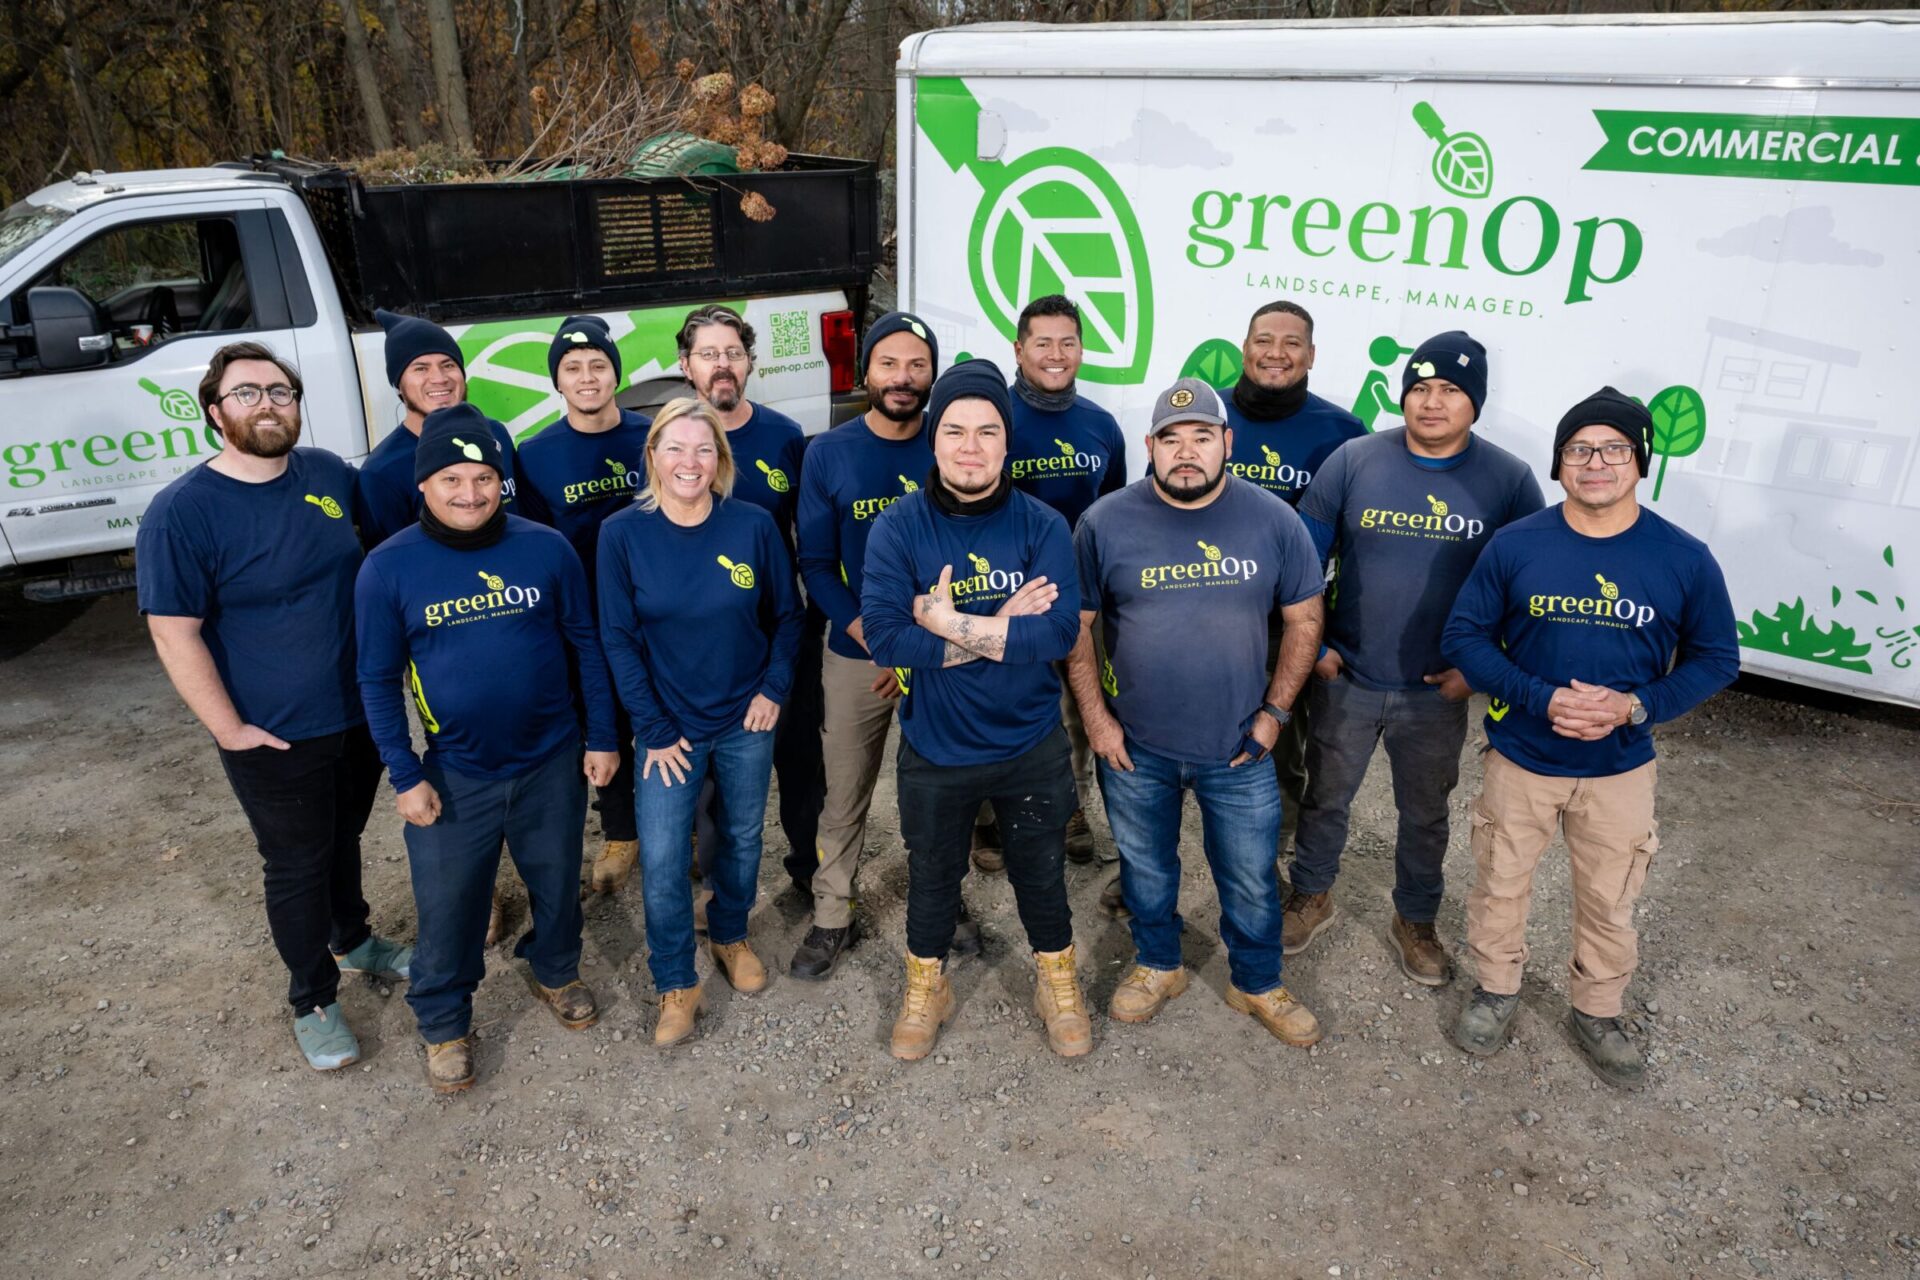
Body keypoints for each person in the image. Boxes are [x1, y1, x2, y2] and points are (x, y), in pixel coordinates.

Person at [1441, 388, 1739, 1088]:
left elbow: (1716, 659)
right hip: (1523, 758)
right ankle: (1496, 990)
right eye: (1580, 449)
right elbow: (1465, 636)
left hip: (1619, 769)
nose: (1596, 462)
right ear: (1560, 463)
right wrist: (1540, 696)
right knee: (1500, 883)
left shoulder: (1683, 558)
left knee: (1611, 896)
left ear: (1640, 462)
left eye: (1614, 449)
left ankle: (1597, 1010)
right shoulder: (1517, 544)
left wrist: (1634, 707)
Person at [137, 340, 411, 1072]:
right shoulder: (182, 513)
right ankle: (313, 999)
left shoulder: (326, 474)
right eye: (247, 393)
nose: (267, 405)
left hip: (356, 714)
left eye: (280, 392)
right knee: (295, 863)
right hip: (273, 734)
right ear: (214, 412)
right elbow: (173, 630)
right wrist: (230, 730)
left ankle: (352, 940)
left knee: (344, 836)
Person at [355, 404, 620, 1092]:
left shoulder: (545, 547)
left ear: (502, 481)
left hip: (551, 760)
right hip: (454, 773)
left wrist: (600, 736)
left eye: (483, 478)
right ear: (424, 485)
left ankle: (555, 970)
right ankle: (444, 1021)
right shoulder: (388, 569)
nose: (469, 493)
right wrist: (404, 774)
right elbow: (377, 680)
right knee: (450, 906)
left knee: (558, 883)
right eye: (451, 480)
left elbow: (586, 645)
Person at [1068, 378, 1326, 1046]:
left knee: (1248, 873)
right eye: (1171, 439)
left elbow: (1304, 619)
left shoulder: (1274, 520)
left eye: (1202, 437)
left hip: (1238, 745)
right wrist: (1097, 721)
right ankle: (1158, 964)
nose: (1187, 453)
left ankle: (1257, 980)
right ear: (1149, 446)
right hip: (1136, 746)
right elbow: (1078, 628)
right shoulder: (1105, 523)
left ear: (1226, 443)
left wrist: (1275, 713)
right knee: (1145, 867)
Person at [1286, 331, 1544, 985]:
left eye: (1450, 390)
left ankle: (1416, 919)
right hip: (1349, 676)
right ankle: (1312, 896)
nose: (1432, 402)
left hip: (1437, 688)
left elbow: (1529, 586)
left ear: (1474, 403)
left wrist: (1482, 669)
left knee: (1425, 813)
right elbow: (1301, 561)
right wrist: (1314, 645)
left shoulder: (1508, 481)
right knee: (1325, 799)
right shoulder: (1353, 460)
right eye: (1420, 388)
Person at [861, 360, 1089, 1060]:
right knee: (932, 877)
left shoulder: (1042, 524)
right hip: (937, 747)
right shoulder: (898, 528)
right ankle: (929, 985)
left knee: (1040, 871)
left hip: (1030, 744)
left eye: (987, 431)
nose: (970, 446)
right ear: (932, 441)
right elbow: (887, 634)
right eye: (954, 430)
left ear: (1005, 442)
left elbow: (1054, 635)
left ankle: (1058, 980)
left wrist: (944, 621)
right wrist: (999, 633)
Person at [598, 399, 804, 1045]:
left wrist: (774, 689)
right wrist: (653, 728)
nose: (690, 462)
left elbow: (788, 619)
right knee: (661, 860)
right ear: (653, 455)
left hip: (747, 719)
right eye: (676, 448)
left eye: (703, 449)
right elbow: (617, 637)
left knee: (741, 838)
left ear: (721, 460)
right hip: (669, 733)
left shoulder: (753, 525)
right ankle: (674, 981)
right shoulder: (621, 534)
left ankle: (731, 933)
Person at [793, 310, 975, 980]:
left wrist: (929, 640)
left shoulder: (951, 443)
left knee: (939, 788)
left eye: (917, 365)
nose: (903, 378)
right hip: (858, 649)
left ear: (933, 374)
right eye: (889, 364)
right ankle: (831, 914)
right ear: (865, 371)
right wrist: (874, 635)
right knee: (844, 791)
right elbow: (815, 562)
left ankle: (944, 902)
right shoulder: (830, 453)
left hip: (940, 651)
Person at [676, 304, 824, 901]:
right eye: (708, 354)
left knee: (799, 758)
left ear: (750, 362)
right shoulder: (671, 442)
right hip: (701, 641)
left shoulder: (784, 437)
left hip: (782, 629)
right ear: (685, 366)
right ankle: (718, 886)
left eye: (733, 353)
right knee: (709, 771)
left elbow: (807, 538)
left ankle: (811, 873)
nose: (722, 365)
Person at [1219, 302, 1367, 862]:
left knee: (1283, 736)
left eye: (1291, 342)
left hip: (1290, 619)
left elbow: (1357, 548)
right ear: (1244, 348)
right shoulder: (1207, 416)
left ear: (1311, 355)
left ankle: (1275, 837)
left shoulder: (1343, 433)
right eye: (1263, 339)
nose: (1276, 353)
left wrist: (1327, 638)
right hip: (1204, 606)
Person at [985, 293, 1126, 873]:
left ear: (1081, 350)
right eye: (1042, 342)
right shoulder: (995, 420)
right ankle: (990, 820)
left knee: (1076, 709)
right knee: (1001, 705)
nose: (1055, 353)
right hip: (1002, 594)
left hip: (1079, 600)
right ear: (1018, 350)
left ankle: (1069, 809)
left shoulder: (1100, 425)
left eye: (1067, 342)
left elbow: (1115, 511)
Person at [514, 316, 651, 893]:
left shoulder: (651, 434)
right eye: (572, 368)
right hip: (586, 614)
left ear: (616, 373)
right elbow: (534, 543)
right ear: (557, 381)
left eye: (598, 365)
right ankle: (620, 831)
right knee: (604, 720)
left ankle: (693, 827)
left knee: (674, 711)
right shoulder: (536, 453)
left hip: (655, 608)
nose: (587, 377)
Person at [354, 308, 538, 549]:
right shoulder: (381, 472)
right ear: (399, 385)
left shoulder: (494, 433)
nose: (439, 378)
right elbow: (392, 561)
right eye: (420, 368)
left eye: (448, 365)